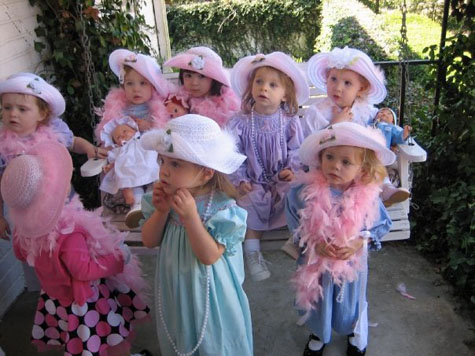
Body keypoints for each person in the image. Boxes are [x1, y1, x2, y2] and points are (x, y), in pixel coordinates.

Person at [0, 141, 150, 356]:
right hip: (85, 301)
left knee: (78, 338)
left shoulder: (24, 230)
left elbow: (20, 253)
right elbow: (83, 270)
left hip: (55, 297)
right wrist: (119, 259)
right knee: (108, 336)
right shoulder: (70, 233)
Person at [140, 114, 253, 356]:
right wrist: (161, 211)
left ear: (206, 172)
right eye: (162, 161)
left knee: (214, 338)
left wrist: (191, 218)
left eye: (176, 164)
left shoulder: (222, 208)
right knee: (182, 330)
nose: (164, 172)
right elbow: (149, 241)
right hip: (176, 286)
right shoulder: (162, 196)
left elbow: (209, 256)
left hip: (211, 292)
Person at [285, 122, 394, 356]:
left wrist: (359, 241)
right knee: (317, 298)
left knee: (351, 301)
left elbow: (381, 224)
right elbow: (295, 221)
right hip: (316, 260)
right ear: (320, 157)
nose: (335, 166)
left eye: (346, 162)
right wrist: (314, 243)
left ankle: (355, 332)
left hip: (351, 262)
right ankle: (318, 333)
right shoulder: (303, 192)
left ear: (362, 169)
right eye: (330, 157)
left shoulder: (367, 195)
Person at [227, 51, 309, 281]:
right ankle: (252, 253)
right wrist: (241, 179)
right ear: (251, 87)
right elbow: (233, 153)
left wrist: (291, 170)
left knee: (298, 194)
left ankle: (297, 240)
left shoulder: (289, 121)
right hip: (253, 180)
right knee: (248, 202)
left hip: (281, 178)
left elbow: (297, 150)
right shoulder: (240, 122)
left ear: (285, 95)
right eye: (259, 82)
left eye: (273, 85)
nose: (264, 88)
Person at [0, 72, 106, 240]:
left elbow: (73, 142)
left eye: (22, 109)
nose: (13, 114)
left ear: (42, 114)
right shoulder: (3, 146)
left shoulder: (54, 129)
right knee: (34, 256)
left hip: (64, 205)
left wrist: (88, 147)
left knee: (72, 244)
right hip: (26, 217)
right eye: (7, 108)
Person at [301, 46, 386, 136]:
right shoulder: (317, 114)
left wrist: (388, 116)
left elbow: (381, 123)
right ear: (327, 78)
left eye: (347, 83)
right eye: (333, 79)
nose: (338, 88)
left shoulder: (366, 111)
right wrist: (333, 126)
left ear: (361, 89)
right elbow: (308, 146)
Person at [95, 48, 170, 142]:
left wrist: (150, 126)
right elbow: (108, 134)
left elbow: (166, 135)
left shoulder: (159, 109)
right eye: (129, 83)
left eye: (143, 83)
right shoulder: (118, 109)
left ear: (153, 87)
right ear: (123, 87)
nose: (136, 89)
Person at [99, 117, 159, 228]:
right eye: (117, 137)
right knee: (126, 182)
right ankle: (137, 206)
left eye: (125, 131)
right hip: (129, 172)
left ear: (135, 130)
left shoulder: (143, 139)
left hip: (146, 166)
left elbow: (156, 139)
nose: (122, 135)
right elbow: (114, 159)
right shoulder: (118, 149)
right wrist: (110, 166)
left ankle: (152, 202)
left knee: (155, 180)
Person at [164, 46, 240, 127]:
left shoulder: (228, 106)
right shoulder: (177, 100)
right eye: (188, 76)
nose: (194, 83)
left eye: (202, 76)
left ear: (214, 79)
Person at [370, 107, 412, 206]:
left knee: (380, 171)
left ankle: (388, 191)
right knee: (372, 171)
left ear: (393, 120)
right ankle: (380, 195)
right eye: (381, 112)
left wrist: (404, 133)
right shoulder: (370, 125)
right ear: (375, 117)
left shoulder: (391, 128)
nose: (384, 114)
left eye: (389, 114)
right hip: (368, 151)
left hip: (381, 154)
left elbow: (398, 137)